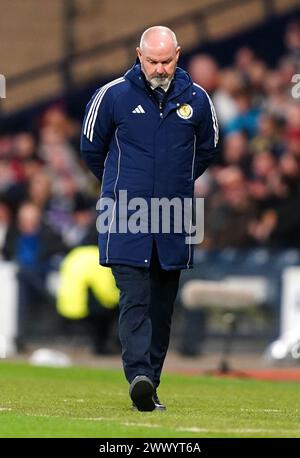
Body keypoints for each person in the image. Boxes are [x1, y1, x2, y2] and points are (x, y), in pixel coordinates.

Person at [81, 26, 218, 411]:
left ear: (178, 53)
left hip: (174, 218)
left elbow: (207, 150)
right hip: (125, 216)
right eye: (152, 60)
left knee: (162, 306)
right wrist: (123, 188)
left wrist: (173, 185)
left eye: (166, 60)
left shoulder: (198, 99)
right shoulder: (113, 95)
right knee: (135, 298)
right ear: (139, 55)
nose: (159, 68)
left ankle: (149, 384)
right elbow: (92, 149)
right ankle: (138, 374)